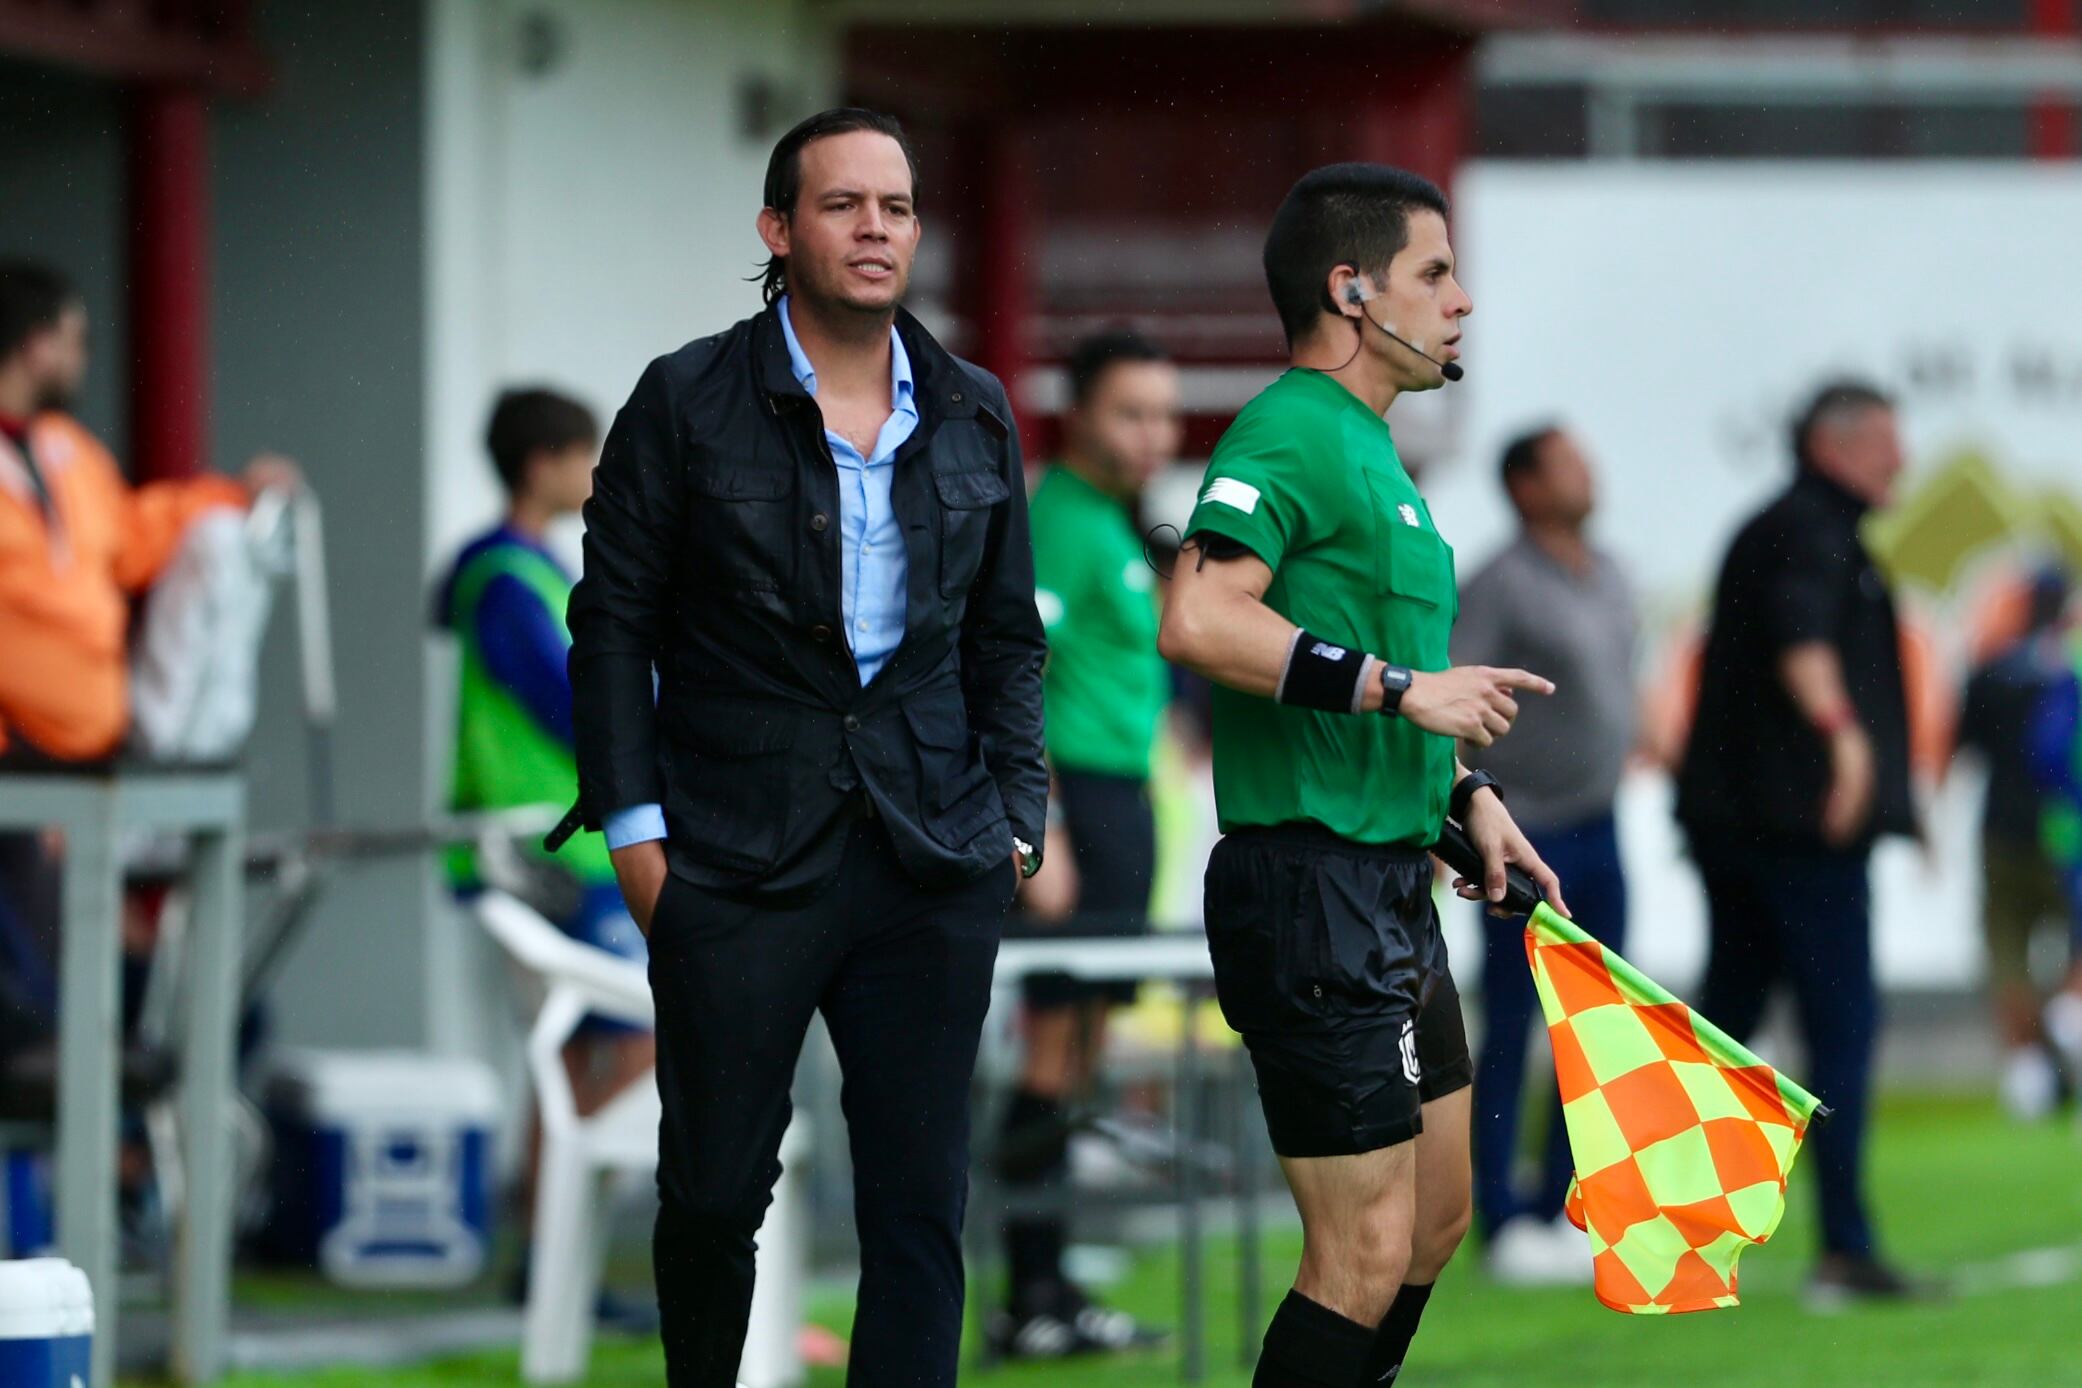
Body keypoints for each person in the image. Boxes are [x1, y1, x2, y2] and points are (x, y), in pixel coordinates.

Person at [565, 108, 1046, 1386]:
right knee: (715, 1198)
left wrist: (1016, 817)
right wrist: (634, 837)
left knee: (918, 1210)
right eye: (843, 204)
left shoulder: (973, 408)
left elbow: (1006, 639)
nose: (875, 227)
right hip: (729, 853)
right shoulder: (685, 399)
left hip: (932, 851)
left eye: (895, 205)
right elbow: (610, 627)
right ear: (780, 230)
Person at [1159, 163, 1565, 1388]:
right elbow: (1198, 618)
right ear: (1352, 289)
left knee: (1435, 1220)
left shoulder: (1379, 458)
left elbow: (1389, 686)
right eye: (1435, 273)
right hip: (1307, 886)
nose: (1462, 302)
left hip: (1389, 883)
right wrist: (1401, 690)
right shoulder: (1287, 428)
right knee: (1362, 1245)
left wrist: (1464, 801)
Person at [0, 260, 295, 1078]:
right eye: (74, 338)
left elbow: (133, 539)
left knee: (166, 997)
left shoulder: (65, 452)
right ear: (34, 344)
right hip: (16, 785)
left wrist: (231, 498)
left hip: (89, 770)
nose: (82, 358)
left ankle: (127, 1157)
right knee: (45, 1028)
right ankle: (109, 1160)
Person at [1675, 379, 1924, 1305]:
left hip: (1744, 828)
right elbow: (1800, 634)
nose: (1900, 460)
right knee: (1841, 1031)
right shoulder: (1809, 529)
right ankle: (1845, 1248)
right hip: (1798, 836)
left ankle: (1662, 1234)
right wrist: (1846, 741)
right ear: (1834, 445)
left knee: (1725, 1032)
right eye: (1886, 442)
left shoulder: (1789, 525)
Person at [434, 387, 655, 1328]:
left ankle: (552, 1262)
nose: (593, 474)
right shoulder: (507, 578)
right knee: (628, 1040)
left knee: (574, 1058)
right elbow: (574, 703)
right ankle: (558, 1255)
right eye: (582, 455)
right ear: (541, 464)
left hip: (562, 849)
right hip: (555, 852)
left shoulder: (523, 571)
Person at [993, 328, 1179, 1357]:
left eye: (1162, 413)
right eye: (1130, 412)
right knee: (1052, 1053)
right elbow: (1015, 669)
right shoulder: (1057, 517)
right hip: (1077, 807)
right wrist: (1044, 824)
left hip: (1124, 806)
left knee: (1086, 1051)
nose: (1152, 434)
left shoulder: (1117, 520)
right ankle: (1029, 1293)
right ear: (1078, 416)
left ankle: (1056, 1283)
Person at [1451, 424, 1636, 1283]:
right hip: (1524, 830)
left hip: (1600, 825)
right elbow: (1457, 689)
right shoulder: (1499, 584)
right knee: (1517, 1025)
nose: (1590, 472)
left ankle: (1567, 1203)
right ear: (1525, 486)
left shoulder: (1610, 575)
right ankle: (1499, 1213)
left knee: (1593, 1024)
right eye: (1570, 461)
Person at [1952, 567, 2078, 1118]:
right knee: (2072, 939)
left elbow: (1963, 749)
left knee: (2007, 951)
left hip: (2000, 831)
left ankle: (2028, 1072)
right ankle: (2069, 1015)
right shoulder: (2068, 670)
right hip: (2065, 833)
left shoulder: (1992, 671)